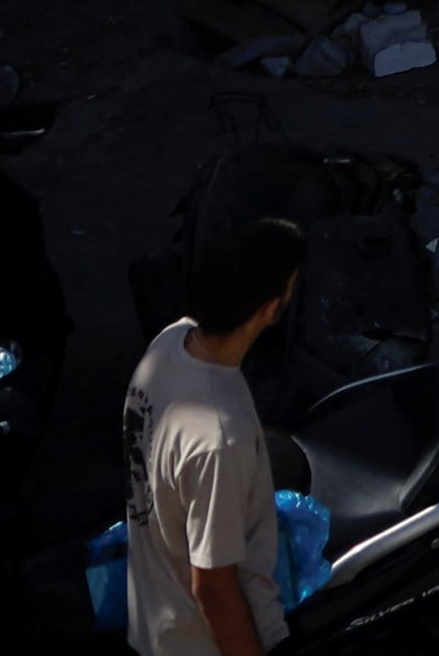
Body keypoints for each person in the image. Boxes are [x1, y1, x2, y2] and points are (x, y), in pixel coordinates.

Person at [126, 211, 305, 656]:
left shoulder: (171, 342)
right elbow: (214, 590)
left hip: (154, 612)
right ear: (270, 309)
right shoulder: (220, 440)